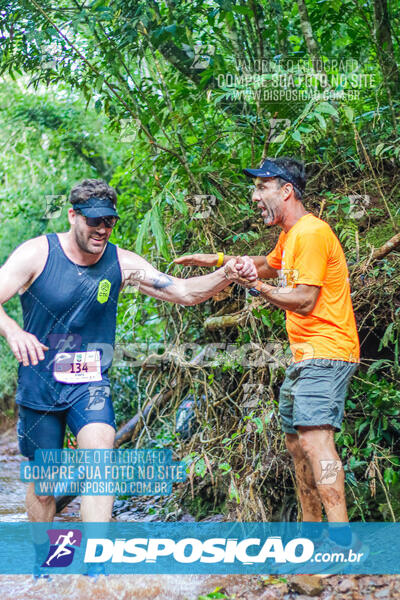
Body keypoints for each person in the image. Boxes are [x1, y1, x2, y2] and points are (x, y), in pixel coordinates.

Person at [0, 178, 258, 528]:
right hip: (40, 383)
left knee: (100, 465)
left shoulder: (122, 263)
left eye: (110, 221)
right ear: (73, 215)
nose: (102, 229)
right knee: (44, 489)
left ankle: (96, 567)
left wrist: (225, 274)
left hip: (87, 383)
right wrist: (13, 331)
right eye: (94, 221)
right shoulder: (37, 253)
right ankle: (42, 565)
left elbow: (183, 292)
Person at [174, 157, 360, 541]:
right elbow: (269, 266)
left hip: (327, 352)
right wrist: (223, 262)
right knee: (297, 445)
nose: (254, 195)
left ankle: (341, 541)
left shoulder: (311, 234)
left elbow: (305, 299)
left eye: (262, 187)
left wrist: (254, 287)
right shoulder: (291, 236)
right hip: (305, 357)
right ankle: (310, 537)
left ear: (286, 190)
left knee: (316, 442)